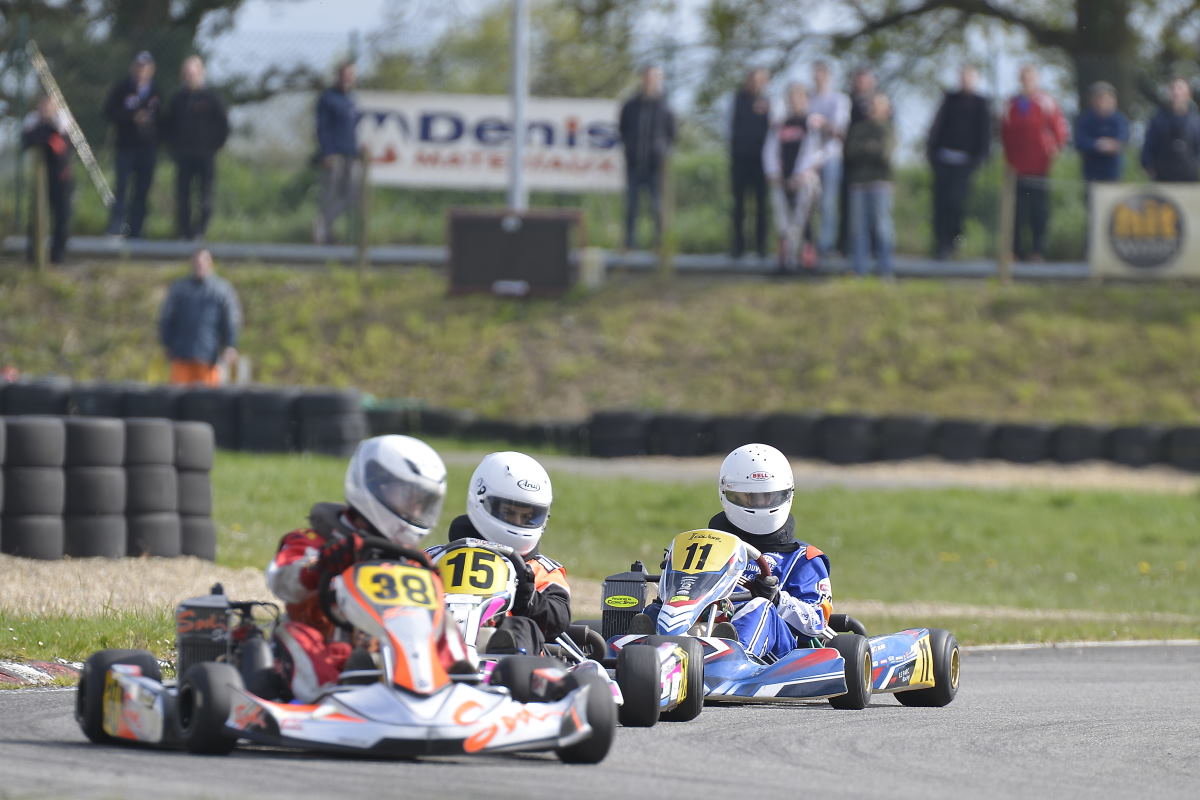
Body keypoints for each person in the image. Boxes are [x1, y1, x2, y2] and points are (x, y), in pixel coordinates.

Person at [266, 435, 468, 702]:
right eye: (409, 496)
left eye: (423, 501)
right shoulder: (314, 541)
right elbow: (281, 580)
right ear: (375, 485)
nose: (416, 507)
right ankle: (328, 697)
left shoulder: (414, 560)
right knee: (294, 636)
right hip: (330, 653)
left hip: (395, 654)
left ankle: (460, 684)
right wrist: (321, 565)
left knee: (447, 622)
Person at [631, 444, 831, 661]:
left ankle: (733, 654)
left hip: (774, 649)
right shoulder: (706, 546)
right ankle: (642, 653)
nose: (759, 505)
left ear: (786, 494)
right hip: (703, 623)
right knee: (659, 610)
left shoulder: (804, 558)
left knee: (759, 608)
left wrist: (776, 599)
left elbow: (817, 622)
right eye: (748, 498)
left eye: (768, 497)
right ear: (727, 494)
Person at [426, 452, 569, 657]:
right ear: (481, 500)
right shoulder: (433, 560)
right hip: (439, 644)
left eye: (528, 517)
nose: (518, 522)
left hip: (510, 665)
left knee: (520, 627)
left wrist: (526, 597)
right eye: (509, 512)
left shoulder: (542, 571)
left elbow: (557, 622)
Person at [1000, 65, 1068, 262]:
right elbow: (1004, 133)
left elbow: (1059, 130)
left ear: (1037, 80)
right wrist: (1007, 160)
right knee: (1016, 211)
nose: (1027, 81)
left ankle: (1038, 250)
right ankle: (1015, 251)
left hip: (1040, 166)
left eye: (1031, 78)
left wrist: (1054, 153)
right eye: (1024, 78)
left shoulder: (1047, 102)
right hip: (1016, 167)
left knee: (1039, 211)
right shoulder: (1010, 104)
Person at [926, 65, 992, 259]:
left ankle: (955, 241)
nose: (965, 81)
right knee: (940, 203)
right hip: (943, 160)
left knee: (957, 202)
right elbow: (937, 126)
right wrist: (932, 152)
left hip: (966, 162)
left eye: (969, 78)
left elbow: (985, 133)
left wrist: (980, 158)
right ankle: (940, 244)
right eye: (963, 77)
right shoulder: (949, 100)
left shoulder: (981, 104)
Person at [763, 83, 829, 271]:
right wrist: (774, 173)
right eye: (791, 98)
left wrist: (801, 175)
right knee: (784, 221)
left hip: (804, 180)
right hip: (782, 180)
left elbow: (818, 151)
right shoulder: (780, 123)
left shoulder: (812, 123)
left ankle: (806, 256)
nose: (794, 102)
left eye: (799, 97)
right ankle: (786, 258)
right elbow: (770, 150)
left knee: (804, 219)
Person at [161, 55, 228, 240]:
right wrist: (173, 147)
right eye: (187, 74)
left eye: (193, 73)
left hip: (206, 155)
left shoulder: (212, 98)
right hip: (183, 155)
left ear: (201, 73)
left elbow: (223, 125)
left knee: (205, 196)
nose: (190, 77)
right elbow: (168, 125)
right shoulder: (178, 99)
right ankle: (184, 231)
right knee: (183, 195)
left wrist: (216, 146)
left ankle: (200, 231)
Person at [158, 248, 241, 386]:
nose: (200, 264)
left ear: (211, 262)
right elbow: (166, 317)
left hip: (208, 355)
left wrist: (230, 345)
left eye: (204, 260)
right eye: (197, 261)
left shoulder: (221, 289)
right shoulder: (180, 288)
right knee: (178, 397)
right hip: (181, 353)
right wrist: (166, 342)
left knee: (208, 400)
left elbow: (231, 318)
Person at [103, 51, 161, 238]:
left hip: (147, 148)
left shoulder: (157, 92)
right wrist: (131, 117)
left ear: (151, 70)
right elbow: (110, 112)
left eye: (145, 67)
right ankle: (117, 224)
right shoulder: (122, 89)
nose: (141, 70)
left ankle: (137, 228)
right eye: (138, 66)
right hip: (125, 146)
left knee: (142, 188)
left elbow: (163, 119)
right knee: (122, 187)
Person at [619, 65, 676, 250]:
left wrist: (661, 151)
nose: (650, 81)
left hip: (655, 165)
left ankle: (660, 244)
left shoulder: (665, 106)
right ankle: (630, 244)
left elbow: (672, 134)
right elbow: (623, 130)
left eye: (654, 78)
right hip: (634, 163)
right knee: (631, 206)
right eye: (647, 77)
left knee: (657, 206)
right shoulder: (631, 105)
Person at [845, 93, 896, 277]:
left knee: (883, 228)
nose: (873, 108)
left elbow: (884, 154)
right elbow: (851, 152)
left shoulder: (888, 129)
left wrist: (866, 148)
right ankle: (859, 270)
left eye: (877, 104)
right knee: (859, 229)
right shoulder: (858, 129)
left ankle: (885, 269)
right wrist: (870, 147)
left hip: (880, 184)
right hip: (859, 184)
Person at [22, 95, 73, 264]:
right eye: (43, 105)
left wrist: (46, 135)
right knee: (37, 216)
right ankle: (33, 255)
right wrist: (44, 136)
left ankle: (58, 256)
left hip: (61, 178)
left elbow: (59, 147)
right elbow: (29, 141)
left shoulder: (62, 124)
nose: (46, 109)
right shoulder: (33, 123)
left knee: (61, 216)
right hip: (40, 181)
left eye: (49, 105)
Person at [806, 61, 850, 257]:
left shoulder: (839, 99)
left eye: (822, 74)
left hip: (831, 157)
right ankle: (808, 244)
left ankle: (827, 244)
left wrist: (822, 123)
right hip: (809, 159)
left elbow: (839, 129)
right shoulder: (809, 99)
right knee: (808, 203)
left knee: (828, 203)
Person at [314, 61, 359, 245]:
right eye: (344, 74)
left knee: (351, 195)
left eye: (350, 74)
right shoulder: (328, 98)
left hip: (351, 153)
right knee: (331, 193)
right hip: (335, 154)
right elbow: (322, 128)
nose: (347, 78)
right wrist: (327, 152)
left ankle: (324, 224)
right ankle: (324, 231)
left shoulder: (352, 99)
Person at [729, 68, 771, 261]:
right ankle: (738, 247)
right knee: (739, 206)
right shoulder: (737, 100)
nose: (755, 83)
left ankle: (762, 247)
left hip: (762, 163)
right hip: (740, 161)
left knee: (761, 206)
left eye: (759, 80)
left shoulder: (770, 102)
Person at [839, 65, 878, 254]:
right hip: (851, 163)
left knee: (874, 212)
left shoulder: (880, 103)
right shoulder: (847, 102)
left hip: (874, 167)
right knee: (848, 208)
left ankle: (872, 247)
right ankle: (846, 245)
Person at [1141, 77, 1200, 183]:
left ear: (1189, 94)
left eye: (1180, 88)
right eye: (1173, 88)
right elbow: (1148, 146)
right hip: (1163, 179)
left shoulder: (1196, 122)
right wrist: (1148, 166)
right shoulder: (1157, 120)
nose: (1176, 92)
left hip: (1189, 180)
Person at [1075, 82, 1129, 184]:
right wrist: (1098, 144)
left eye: (1107, 98)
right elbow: (1080, 142)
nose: (1103, 102)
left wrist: (1111, 146)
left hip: (1113, 173)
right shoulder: (1085, 119)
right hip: (1091, 173)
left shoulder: (1120, 120)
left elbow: (1122, 140)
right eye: (1100, 98)